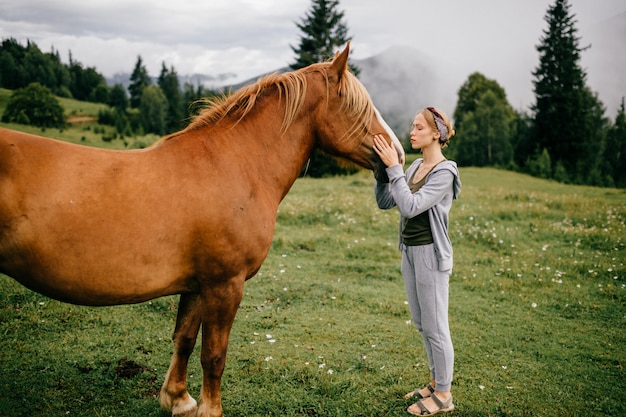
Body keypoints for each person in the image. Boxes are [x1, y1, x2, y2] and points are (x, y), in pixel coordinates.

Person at [373, 106, 461, 416]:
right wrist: (381, 172)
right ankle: (437, 382)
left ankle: (444, 396)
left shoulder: (445, 172)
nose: (412, 132)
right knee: (423, 323)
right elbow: (387, 202)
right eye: (412, 126)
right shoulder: (413, 168)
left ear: (436, 133)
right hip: (409, 251)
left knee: (436, 326)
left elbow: (410, 207)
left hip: (430, 255)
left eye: (419, 127)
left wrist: (394, 170)